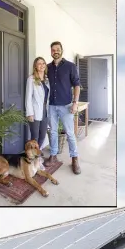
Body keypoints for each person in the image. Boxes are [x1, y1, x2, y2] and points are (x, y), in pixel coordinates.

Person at [47, 41, 81, 174]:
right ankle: (53, 155)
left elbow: (77, 85)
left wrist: (75, 103)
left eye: (57, 49)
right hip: (51, 105)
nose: (55, 51)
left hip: (66, 105)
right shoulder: (48, 67)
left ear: (62, 50)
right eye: (53, 49)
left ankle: (74, 158)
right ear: (51, 52)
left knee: (70, 133)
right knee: (53, 132)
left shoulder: (70, 66)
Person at [25, 57, 50, 151]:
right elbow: (28, 98)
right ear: (35, 66)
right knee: (35, 136)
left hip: (45, 110)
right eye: (39, 63)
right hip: (35, 111)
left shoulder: (47, 79)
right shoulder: (31, 79)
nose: (42, 65)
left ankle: (37, 154)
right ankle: (32, 158)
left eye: (43, 63)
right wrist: (29, 113)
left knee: (43, 135)